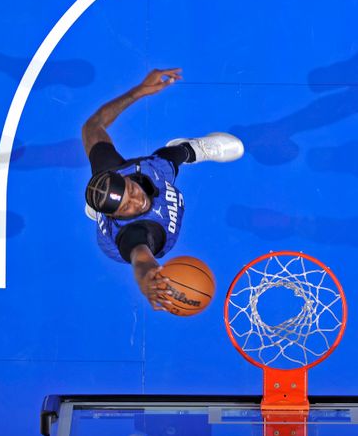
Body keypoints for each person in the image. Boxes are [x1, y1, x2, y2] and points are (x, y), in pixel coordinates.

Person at [82, 68, 244, 310]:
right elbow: (140, 258)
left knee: (166, 159)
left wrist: (139, 91)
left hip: (141, 177)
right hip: (144, 231)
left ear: (123, 177)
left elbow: (92, 125)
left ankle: (193, 149)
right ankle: (98, 212)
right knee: (152, 176)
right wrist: (147, 278)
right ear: (115, 216)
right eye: (125, 206)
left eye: (131, 191)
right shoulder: (135, 233)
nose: (137, 202)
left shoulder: (113, 168)